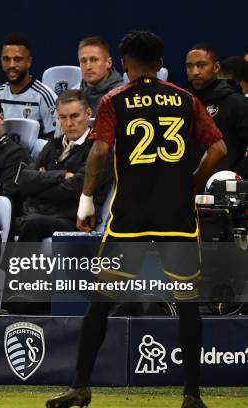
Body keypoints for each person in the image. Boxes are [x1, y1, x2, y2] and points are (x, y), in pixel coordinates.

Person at [46, 31, 227, 408]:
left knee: (100, 302)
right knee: (188, 303)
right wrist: (191, 182)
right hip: (176, 217)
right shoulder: (186, 100)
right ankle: (192, 394)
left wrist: (86, 201)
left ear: (124, 64)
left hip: (130, 218)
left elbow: (98, 152)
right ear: (161, 64)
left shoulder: (116, 100)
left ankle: (80, 386)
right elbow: (219, 148)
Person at [16, 89, 112, 242]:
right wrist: (61, 176)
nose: (68, 123)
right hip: (41, 215)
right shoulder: (53, 145)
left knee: (31, 223)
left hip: (74, 221)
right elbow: (24, 180)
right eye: (63, 117)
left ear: (88, 113)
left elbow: (76, 188)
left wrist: (38, 184)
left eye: (74, 116)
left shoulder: (100, 150)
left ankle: (14, 267)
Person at [186, 43, 248, 174]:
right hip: (187, 185)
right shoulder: (182, 101)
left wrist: (237, 174)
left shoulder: (236, 102)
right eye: (189, 66)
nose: (195, 72)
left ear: (216, 67)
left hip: (227, 185)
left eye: (201, 65)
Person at [0, 33, 57, 138]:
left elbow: (55, 141)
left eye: (17, 59)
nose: (11, 65)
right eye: (6, 59)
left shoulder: (45, 96)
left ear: (29, 62)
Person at [78, 36, 124, 114]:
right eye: (83, 61)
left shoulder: (122, 96)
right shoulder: (76, 95)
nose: (88, 67)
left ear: (108, 63)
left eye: (94, 60)